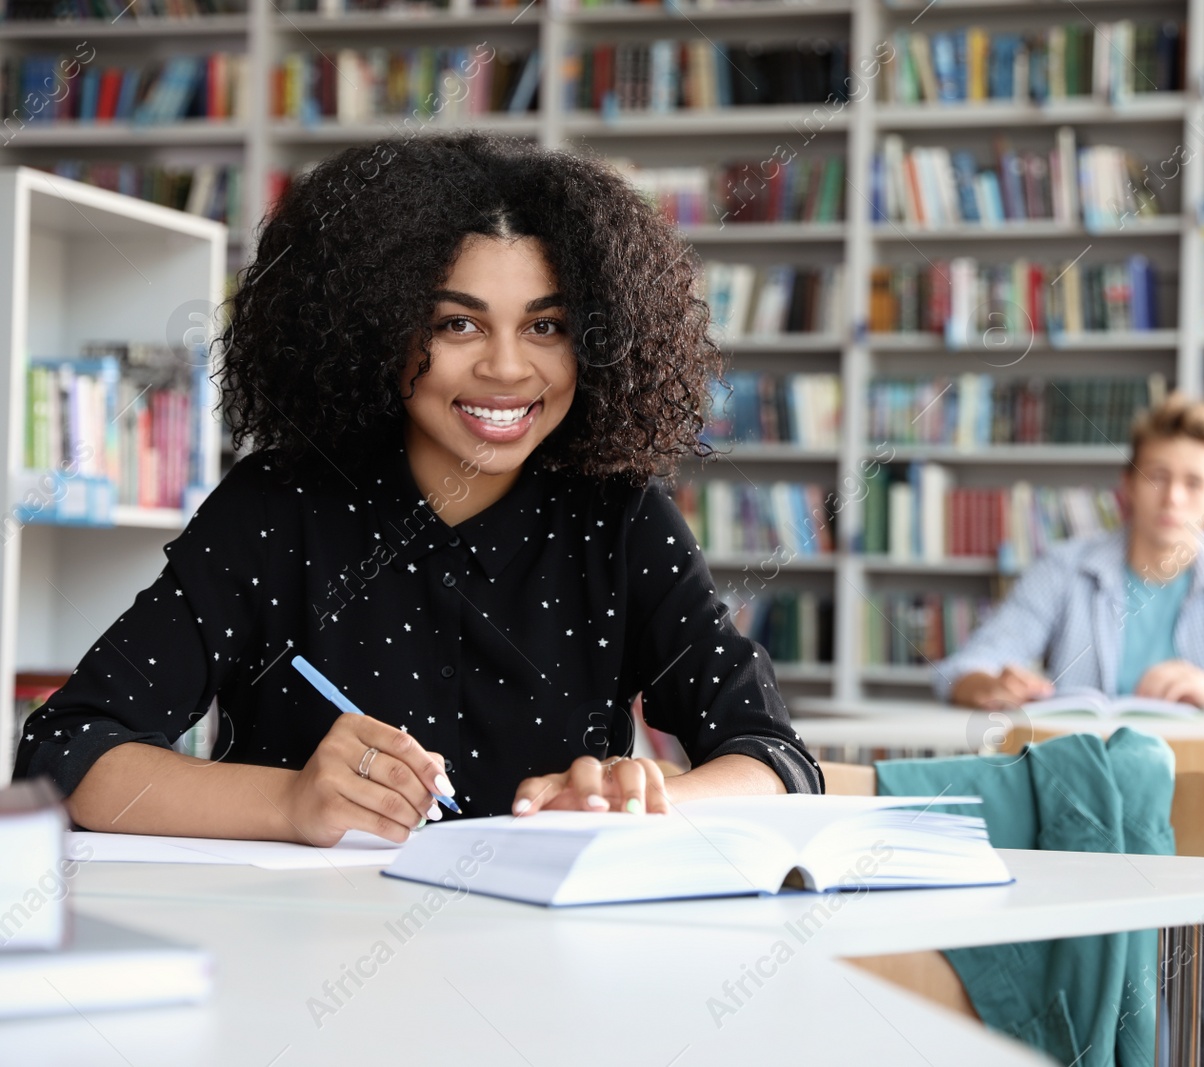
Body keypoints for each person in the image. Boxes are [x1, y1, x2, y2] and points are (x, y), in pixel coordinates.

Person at [15, 133, 821, 845]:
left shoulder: (621, 517)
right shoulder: (274, 508)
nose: (508, 368)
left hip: (550, 967)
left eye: (546, 326)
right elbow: (65, 751)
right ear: (379, 326)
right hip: (298, 962)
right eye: (456, 324)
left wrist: (641, 801)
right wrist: (290, 800)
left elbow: (777, 760)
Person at [939, 393, 1204, 714]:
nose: (1173, 497)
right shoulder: (1063, 569)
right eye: (1157, 477)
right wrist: (990, 687)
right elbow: (962, 670)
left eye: (1193, 483)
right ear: (1129, 486)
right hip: (1085, 785)